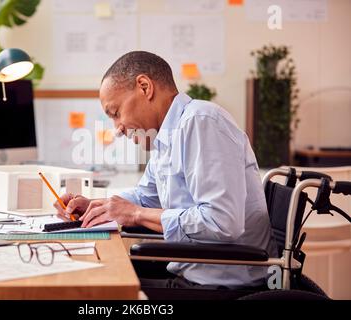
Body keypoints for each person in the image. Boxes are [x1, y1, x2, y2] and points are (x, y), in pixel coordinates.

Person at [54, 51, 277, 292]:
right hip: (194, 276)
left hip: (222, 286)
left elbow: (222, 221)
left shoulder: (201, 122)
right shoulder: (166, 136)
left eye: (116, 113)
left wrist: (137, 214)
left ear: (144, 87)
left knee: (94, 291)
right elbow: (146, 195)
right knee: (95, 279)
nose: (117, 129)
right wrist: (98, 206)